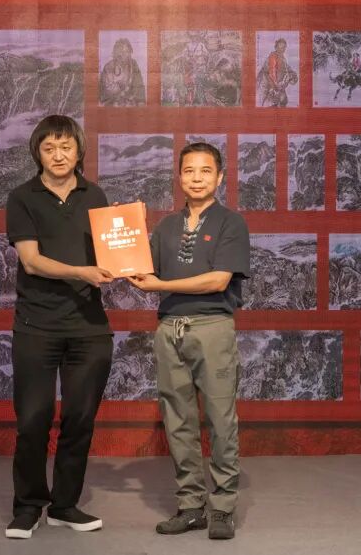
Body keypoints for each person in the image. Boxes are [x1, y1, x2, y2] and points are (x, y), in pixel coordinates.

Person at [128, 142, 251, 541]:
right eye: (189, 171)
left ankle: (223, 506)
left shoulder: (231, 223)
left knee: (220, 420)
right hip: (169, 329)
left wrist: (159, 285)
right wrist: (124, 237)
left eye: (205, 171)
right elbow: (141, 270)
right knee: (178, 420)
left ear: (220, 177)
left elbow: (218, 281)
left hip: (212, 327)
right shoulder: (166, 226)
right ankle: (191, 505)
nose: (197, 178)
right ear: (179, 176)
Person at [3, 115, 114, 539]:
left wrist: (129, 258)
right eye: (49, 148)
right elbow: (31, 261)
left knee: (80, 419)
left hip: (89, 327)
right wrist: (81, 273)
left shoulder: (95, 195)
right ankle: (28, 504)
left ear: (79, 150)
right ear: (37, 153)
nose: (58, 155)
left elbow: (111, 252)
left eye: (66, 146)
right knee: (33, 419)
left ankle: (65, 504)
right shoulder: (22, 197)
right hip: (37, 326)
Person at [99, 37, 146, 107]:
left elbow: (139, 85)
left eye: (127, 51)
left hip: (131, 103)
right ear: (116, 53)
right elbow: (108, 90)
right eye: (122, 51)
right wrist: (121, 97)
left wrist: (140, 101)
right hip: (112, 103)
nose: (125, 54)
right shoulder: (109, 67)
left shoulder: (133, 64)